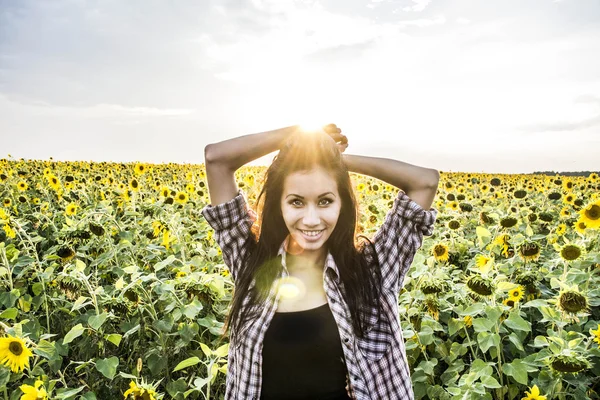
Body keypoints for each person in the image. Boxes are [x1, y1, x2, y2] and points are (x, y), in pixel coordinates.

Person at [201, 124, 439, 400]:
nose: (311, 219)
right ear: (280, 204)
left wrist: (335, 160)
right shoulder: (250, 263)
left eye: (325, 201)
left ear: (342, 204)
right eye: (297, 202)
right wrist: (297, 138)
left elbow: (425, 182)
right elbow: (216, 159)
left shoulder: (372, 272)